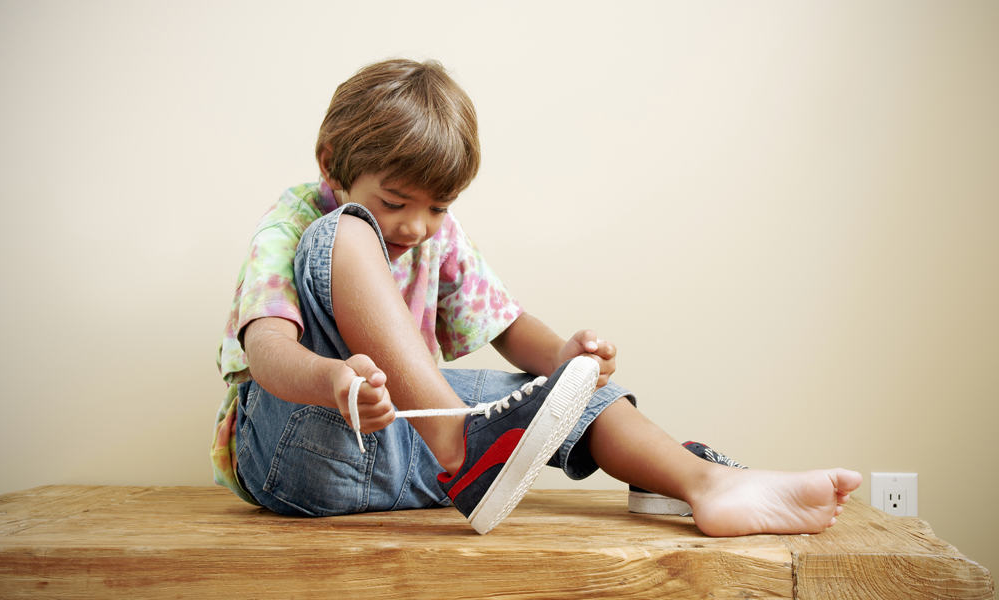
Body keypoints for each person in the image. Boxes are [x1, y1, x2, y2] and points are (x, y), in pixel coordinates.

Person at [212, 58, 862, 536]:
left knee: (571, 393)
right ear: (331, 163)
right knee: (343, 232)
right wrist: (333, 380)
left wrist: (566, 358)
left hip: (415, 455)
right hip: (301, 450)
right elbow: (267, 351)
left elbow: (506, 323)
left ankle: (711, 486)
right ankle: (462, 446)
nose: (415, 226)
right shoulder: (299, 222)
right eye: (395, 202)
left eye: (439, 206)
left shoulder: (439, 235)